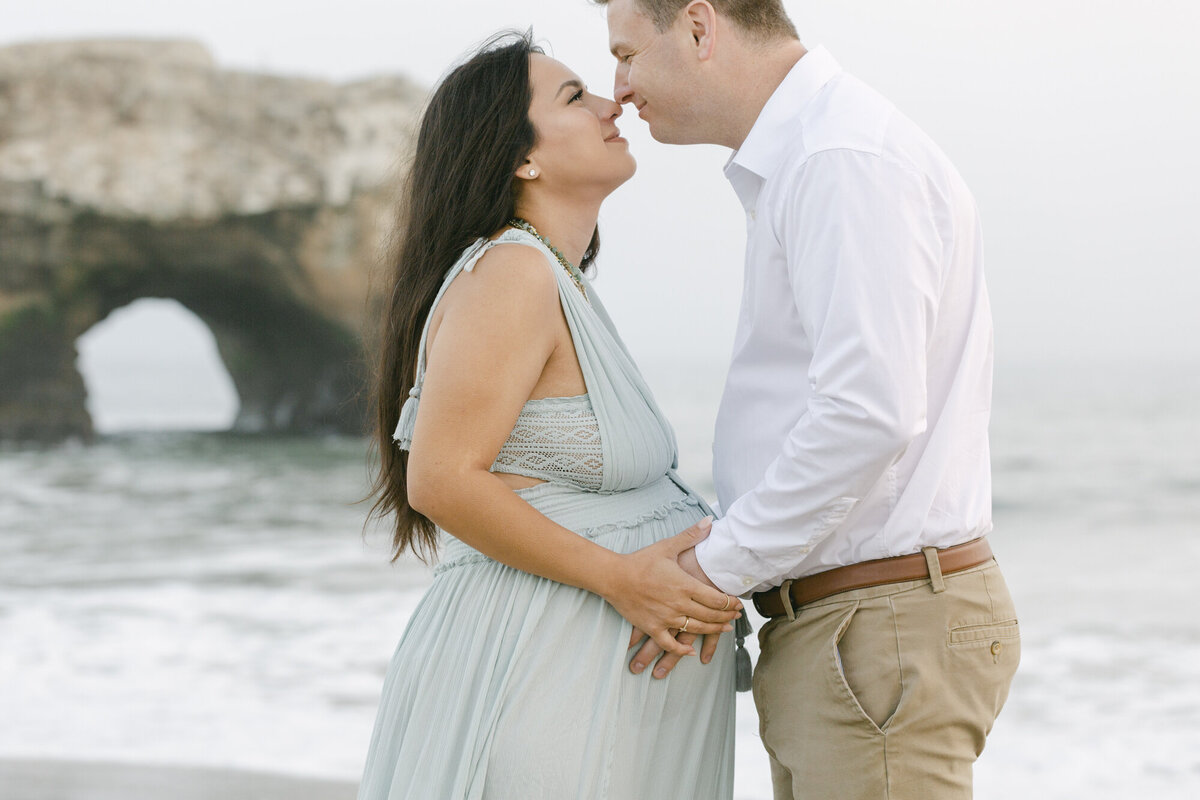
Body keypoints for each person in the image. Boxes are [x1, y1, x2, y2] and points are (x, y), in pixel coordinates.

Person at [598, 1, 1020, 797]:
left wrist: (712, 572)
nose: (617, 88)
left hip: (878, 628)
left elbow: (870, 412)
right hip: (853, 628)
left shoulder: (840, 158)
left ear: (698, 27)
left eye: (626, 54)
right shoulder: (814, 155)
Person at [358, 32, 740, 800]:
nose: (613, 100)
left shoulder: (556, 280)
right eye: (574, 96)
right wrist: (624, 580)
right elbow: (440, 480)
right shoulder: (511, 273)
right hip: (538, 668)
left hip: (588, 676)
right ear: (518, 158)